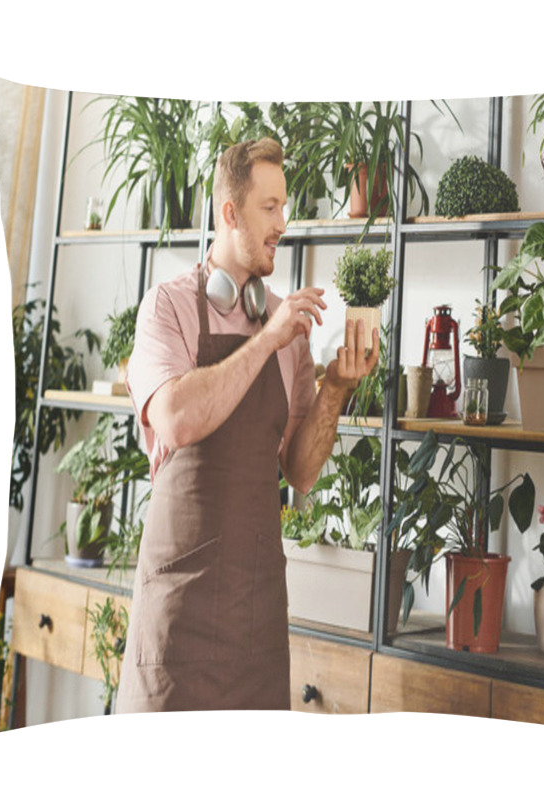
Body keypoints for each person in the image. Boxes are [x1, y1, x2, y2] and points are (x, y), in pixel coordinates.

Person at [115, 137, 379, 713]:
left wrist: (337, 387)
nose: (282, 222)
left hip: (256, 623)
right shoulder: (168, 307)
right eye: (270, 207)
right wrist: (267, 339)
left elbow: (300, 471)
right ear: (229, 213)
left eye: (284, 206)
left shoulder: (287, 328)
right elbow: (177, 419)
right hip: (178, 619)